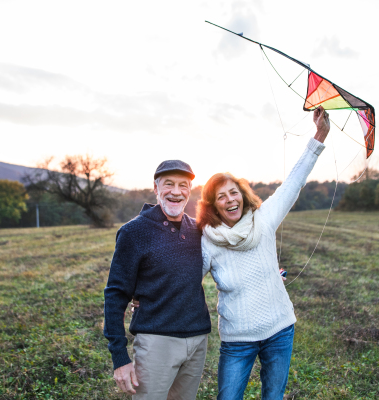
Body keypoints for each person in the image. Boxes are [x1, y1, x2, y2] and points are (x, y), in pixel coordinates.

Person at [196, 106, 330, 399]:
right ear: (213, 205)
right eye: (221, 196)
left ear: (242, 195)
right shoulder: (208, 240)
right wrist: (147, 297)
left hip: (279, 330)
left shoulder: (264, 218)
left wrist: (319, 135)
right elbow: (186, 281)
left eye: (234, 192)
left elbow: (294, 182)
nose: (230, 199)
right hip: (237, 341)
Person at [103, 160, 211, 399]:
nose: (175, 191)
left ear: (190, 190)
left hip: (197, 340)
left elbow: (229, 254)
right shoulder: (134, 232)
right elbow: (115, 295)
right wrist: (119, 357)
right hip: (156, 342)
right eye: (168, 184)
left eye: (183, 185)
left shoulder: (198, 230)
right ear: (155, 188)